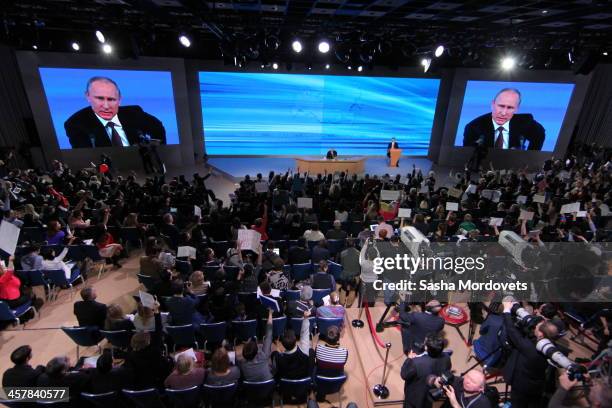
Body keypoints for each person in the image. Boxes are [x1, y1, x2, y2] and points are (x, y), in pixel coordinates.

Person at [64, 76, 166, 148]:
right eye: (100, 98)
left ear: (119, 99)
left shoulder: (134, 113)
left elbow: (158, 127)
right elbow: (84, 157)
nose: (106, 106)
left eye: (111, 99)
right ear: (88, 96)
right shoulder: (76, 123)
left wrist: (159, 151)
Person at [502, 298, 559, 408]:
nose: (535, 327)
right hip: (537, 385)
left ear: (541, 335)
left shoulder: (529, 348)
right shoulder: (553, 347)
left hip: (521, 386)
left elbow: (511, 330)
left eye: (537, 328)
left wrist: (507, 310)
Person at [462, 88, 545, 150]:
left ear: (516, 109)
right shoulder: (473, 127)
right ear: (493, 104)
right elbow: (468, 156)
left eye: (510, 108)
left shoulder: (526, 122)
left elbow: (540, 134)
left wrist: (529, 156)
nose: (504, 112)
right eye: (501, 106)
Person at [400, 333, 451, 408]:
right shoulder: (446, 357)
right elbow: (447, 370)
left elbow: (404, 375)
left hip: (415, 395)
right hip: (431, 393)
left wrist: (409, 359)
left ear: (426, 347)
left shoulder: (416, 362)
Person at [272, 309, 313, 379]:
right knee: (311, 351)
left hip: (286, 387)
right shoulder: (304, 352)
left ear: (282, 345)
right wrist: (305, 318)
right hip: (303, 385)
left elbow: (275, 371)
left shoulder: (278, 358)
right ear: (295, 343)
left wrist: (278, 352)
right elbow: (305, 334)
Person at [238, 309, 274, 381]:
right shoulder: (263, 355)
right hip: (268, 387)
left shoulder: (241, 364)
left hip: (251, 389)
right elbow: (269, 333)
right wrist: (270, 314)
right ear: (257, 351)